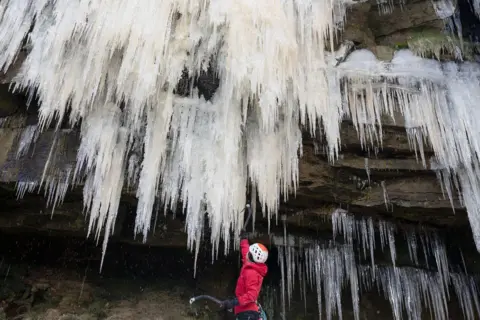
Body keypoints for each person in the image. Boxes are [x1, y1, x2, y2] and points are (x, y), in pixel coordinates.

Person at [220, 231, 269, 320]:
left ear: (251, 256)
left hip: (248, 313)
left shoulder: (252, 273)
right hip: (244, 311)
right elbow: (245, 251)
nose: (247, 253)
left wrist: (235, 302)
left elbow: (252, 295)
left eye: (249, 253)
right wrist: (244, 240)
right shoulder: (252, 265)